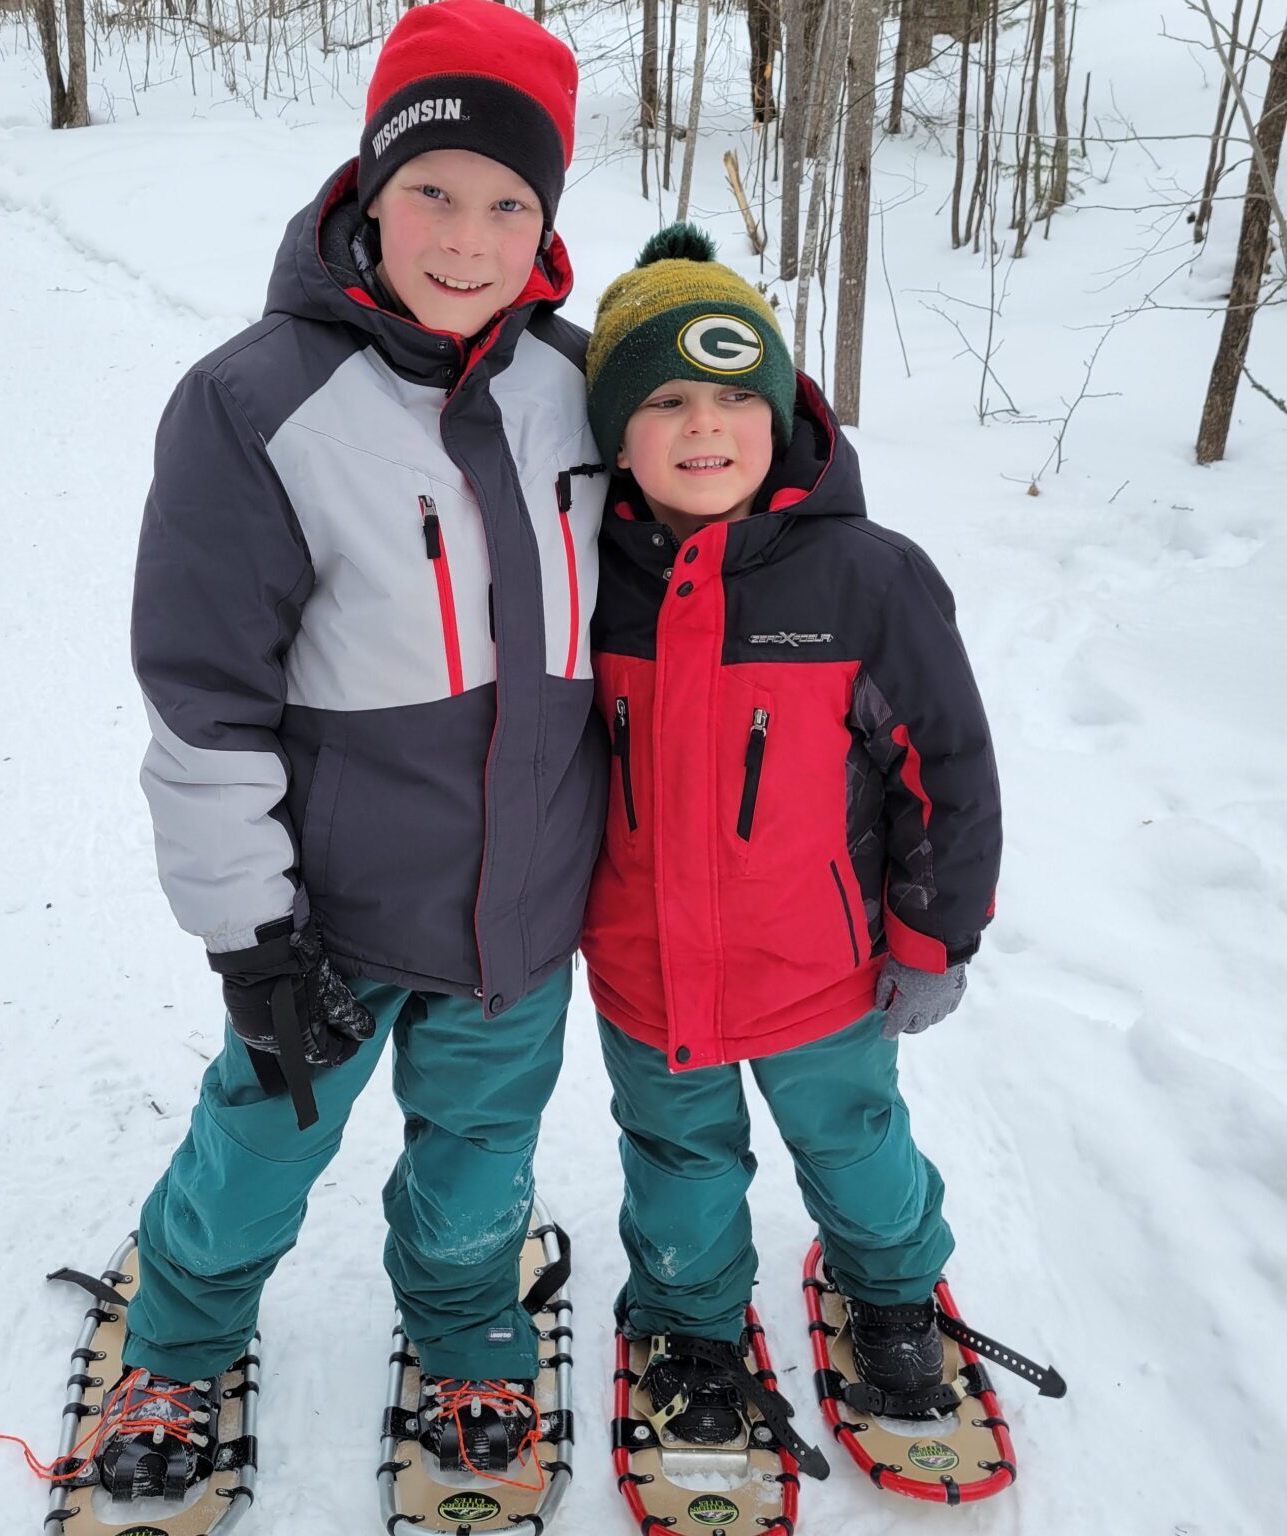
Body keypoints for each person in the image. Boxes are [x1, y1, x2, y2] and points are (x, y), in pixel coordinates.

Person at [100, 0, 608, 1499]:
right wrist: (249, 935)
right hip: (326, 920)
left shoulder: (586, 388)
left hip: (521, 917)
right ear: (367, 194)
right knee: (256, 1154)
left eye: (511, 201)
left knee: (478, 1162)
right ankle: (182, 1338)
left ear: (549, 221)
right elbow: (203, 694)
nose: (469, 234)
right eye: (433, 190)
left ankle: (464, 1323)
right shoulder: (254, 403)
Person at [580, 225, 1002, 1432]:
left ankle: (893, 1292)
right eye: (665, 399)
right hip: (648, 974)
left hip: (824, 977)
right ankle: (694, 1323)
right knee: (678, 1174)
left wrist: (936, 940)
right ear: (617, 433)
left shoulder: (867, 580)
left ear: (780, 413)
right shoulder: (588, 577)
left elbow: (951, 772)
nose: (705, 426)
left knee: (859, 1152)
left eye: (732, 395)